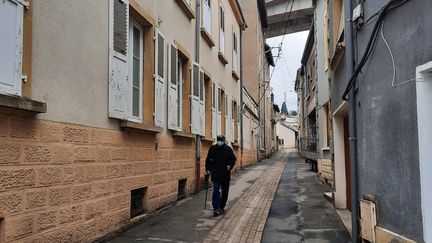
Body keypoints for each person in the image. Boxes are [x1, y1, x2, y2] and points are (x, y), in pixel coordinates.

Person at [205, 135, 236, 216]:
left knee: (225, 192)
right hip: (216, 174)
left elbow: (233, 159)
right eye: (219, 140)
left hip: (225, 174)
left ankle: (221, 206)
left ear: (224, 141)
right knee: (216, 190)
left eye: (221, 140)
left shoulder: (228, 149)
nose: (220, 142)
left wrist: (230, 165)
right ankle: (216, 208)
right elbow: (208, 160)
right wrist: (208, 169)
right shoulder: (212, 149)